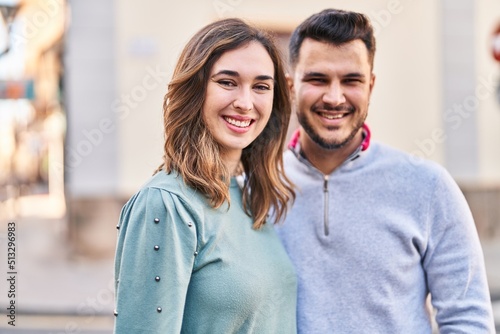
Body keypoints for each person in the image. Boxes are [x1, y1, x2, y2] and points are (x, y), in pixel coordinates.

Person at [275, 8, 495, 333]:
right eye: (317, 79)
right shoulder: (256, 187)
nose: (335, 97)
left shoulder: (428, 186)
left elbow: (468, 321)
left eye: (351, 80)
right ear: (291, 86)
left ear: (371, 85)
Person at [113, 18, 296, 333]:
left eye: (261, 86)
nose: (245, 102)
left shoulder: (249, 195)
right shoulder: (167, 204)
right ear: (195, 88)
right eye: (227, 82)